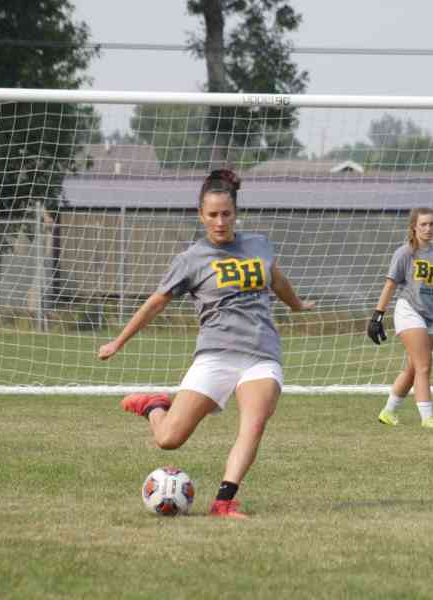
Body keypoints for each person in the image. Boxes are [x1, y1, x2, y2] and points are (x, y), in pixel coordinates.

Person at [98, 169, 314, 519]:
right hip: (215, 355)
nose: (220, 221)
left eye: (226, 214)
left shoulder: (258, 245)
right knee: (168, 440)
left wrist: (298, 305)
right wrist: (118, 342)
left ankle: (224, 502)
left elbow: (278, 281)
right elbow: (155, 303)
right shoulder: (191, 260)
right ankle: (154, 406)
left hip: (262, 354)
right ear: (201, 215)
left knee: (254, 424)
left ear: (235, 213)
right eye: (212, 215)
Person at [367, 207, 433, 429]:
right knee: (425, 366)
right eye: (423, 224)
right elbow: (390, 285)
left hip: (431, 316)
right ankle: (427, 418)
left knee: (413, 368)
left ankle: (388, 412)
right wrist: (377, 316)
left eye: (431, 224)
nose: (428, 228)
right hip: (409, 311)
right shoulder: (404, 253)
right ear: (414, 227)